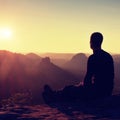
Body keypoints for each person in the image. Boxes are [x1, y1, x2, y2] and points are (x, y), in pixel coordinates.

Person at [42, 32, 114, 103]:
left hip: (96, 93)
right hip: (107, 91)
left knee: (69, 89)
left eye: (90, 41)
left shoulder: (93, 58)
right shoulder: (108, 56)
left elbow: (88, 78)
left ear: (91, 42)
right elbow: (110, 77)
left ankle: (52, 96)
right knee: (74, 89)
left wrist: (81, 86)